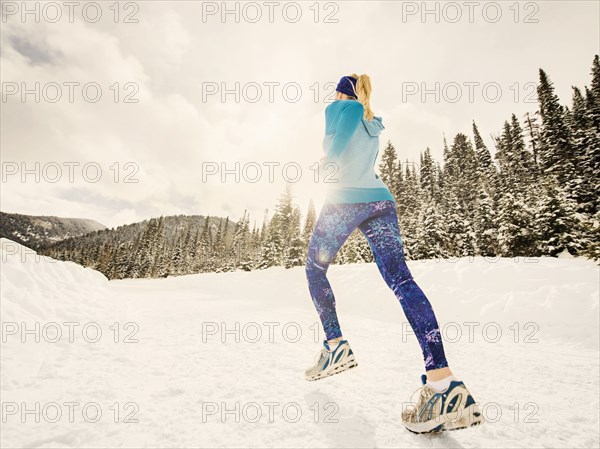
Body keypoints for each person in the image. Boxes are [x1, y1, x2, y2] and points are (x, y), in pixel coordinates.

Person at [303, 73, 484, 433]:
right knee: (401, 280)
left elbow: (336, 148)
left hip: (345, 199)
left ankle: (335, 344)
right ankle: (442, 383)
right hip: (380, 201)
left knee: (314, 269)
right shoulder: (372, 121)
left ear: (341, 91)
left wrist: (326, 164)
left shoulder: (342, 107)